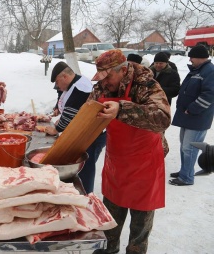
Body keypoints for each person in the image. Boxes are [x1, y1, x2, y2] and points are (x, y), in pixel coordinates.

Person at [89, 49, 171, 254]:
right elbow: (87, 112)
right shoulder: (102, 87)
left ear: (123, 69)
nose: (104, 82)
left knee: (139, 228)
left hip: (145, 163)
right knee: (109, 220)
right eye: (101, 78)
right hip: (117, 162)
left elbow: (163, 118)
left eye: (108, 76)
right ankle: (107, 250)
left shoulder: (146, 85)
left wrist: (122, 110)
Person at [45, 61, 106, 194]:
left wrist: (56, 129)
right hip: (83, 132)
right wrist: (57, 108)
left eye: (57, 81)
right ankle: (78, 192)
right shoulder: (72, 83)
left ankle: (86, 197)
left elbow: (71, 113)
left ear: (65, 77)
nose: (57, 86)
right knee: (80, 165)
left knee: (85, 166)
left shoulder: (81, 87)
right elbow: (62, 96)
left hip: (92, 134)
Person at [169, 45, 214, 185]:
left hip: (197, 118)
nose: (190, 59)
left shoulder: (209, 71)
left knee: (190, 148)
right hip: (187, 116)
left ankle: (187, 177)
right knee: (184, 146)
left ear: (200, 57)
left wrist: (192, 109)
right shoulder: (197, 70)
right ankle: (184, 171)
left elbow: (209, 95)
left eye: (192, 57)